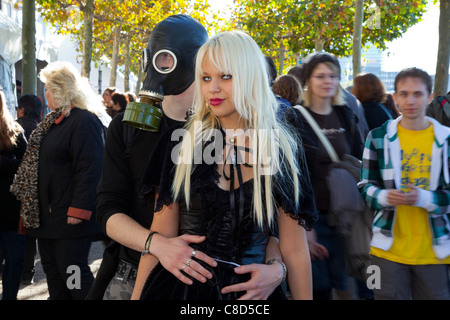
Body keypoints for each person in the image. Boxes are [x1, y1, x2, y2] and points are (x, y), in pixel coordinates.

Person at [91, 15, 286, 301]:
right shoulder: (126, 127)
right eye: (157, 57)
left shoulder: (234, 127)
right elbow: (107, 209)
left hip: (218, 284)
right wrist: (155, 244)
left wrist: (277, 267)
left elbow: (272, 218)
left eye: (169, 58)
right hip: (134, 271)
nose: (162, 68)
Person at [132, 30, 317, 301]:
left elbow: (296, 249)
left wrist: (279, 269)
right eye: (206, 78)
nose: (213, 88)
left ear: (250, 77)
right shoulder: (179, 144)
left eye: (225, 77)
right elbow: (159, 239)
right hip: (179, 294)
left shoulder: (281, 148)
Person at [10, 61, 110, 300]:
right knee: (55, 277)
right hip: (48, 220)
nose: (44, 94)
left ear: (61, 89)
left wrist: (79, 210)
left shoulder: (84, 120)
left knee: (74, 277)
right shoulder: (54, 122)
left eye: (48, 88)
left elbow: (90, 169)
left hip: (70, 220)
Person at [358, 67, 450, 300]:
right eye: (404, 94)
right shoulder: (377, 136)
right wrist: (384, 197)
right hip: (384, 250)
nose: (410, 100)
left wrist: (424, 198)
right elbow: (365, 185)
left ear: (429, 97)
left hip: (435, 251)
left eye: (417, 94)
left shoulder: (446, 139)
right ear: (395, 97)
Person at [284, 51, 364, 300]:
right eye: (321, 76)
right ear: (308, 80)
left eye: (333, 76)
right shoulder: (295, 118)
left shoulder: (345, 114)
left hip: (345, 217)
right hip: (311, 218)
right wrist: (304, 228)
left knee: (348, 283)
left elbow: (361, 158)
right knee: (317, 288)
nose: (328, 81)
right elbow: (291, 175)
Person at [0, 88, 27, 300]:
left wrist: (5, 164)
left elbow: (28, 165)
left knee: (15, 259)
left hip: (11, 209)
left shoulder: (13, 130)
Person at [16, 94, 43, 286]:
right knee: (29, 235)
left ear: (22, 109)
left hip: (13, 189)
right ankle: (27, 272)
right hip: (34, 192)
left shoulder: (12, 128)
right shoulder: (42, 130)